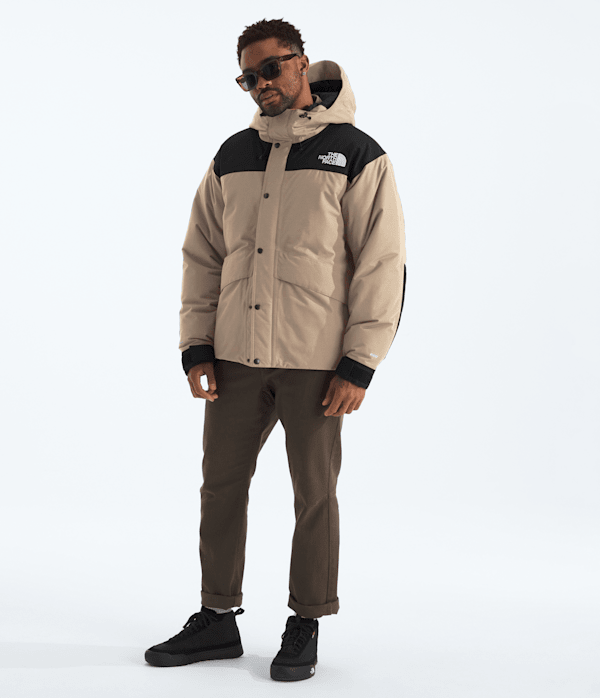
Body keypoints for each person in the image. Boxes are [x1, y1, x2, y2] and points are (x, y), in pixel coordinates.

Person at [145, 17, 407, 682]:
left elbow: (382, 263)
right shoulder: (233, 155)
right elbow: (203, 254)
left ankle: (306, 621)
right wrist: (196, 345)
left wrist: (360, 362)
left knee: (314, 494)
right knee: (219, 488)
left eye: (271, 67)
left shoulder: (356, 153)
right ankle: (217, 617)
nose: (261, 82)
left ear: (302, 63)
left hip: (316, 362)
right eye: (248, 76)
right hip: (234, 357)